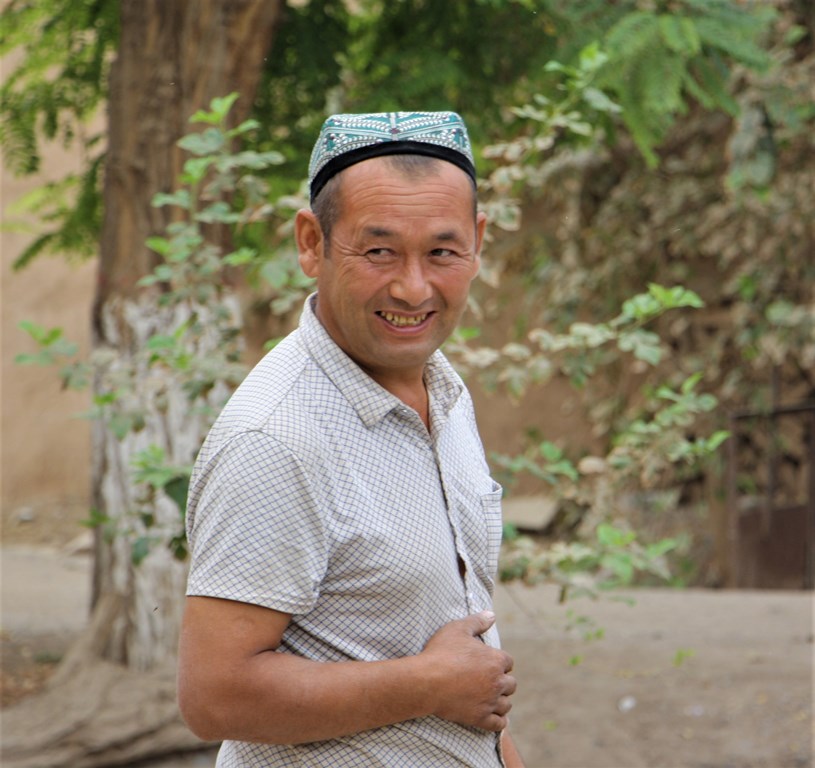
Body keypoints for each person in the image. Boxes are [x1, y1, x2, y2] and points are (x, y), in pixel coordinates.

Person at [178, 111, 525, 767]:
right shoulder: (275, 438)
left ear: (477, 243)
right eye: (378, 251)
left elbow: (467, 656)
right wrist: (426, 685)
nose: (412, 287)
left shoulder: (444, 396)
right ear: (311, 242)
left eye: (442, 252)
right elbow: (213, 695)